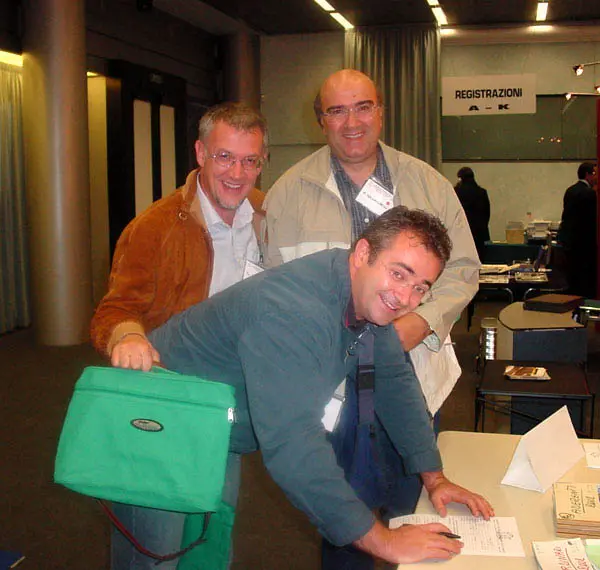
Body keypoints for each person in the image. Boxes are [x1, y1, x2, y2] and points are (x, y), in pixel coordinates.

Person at [127, 206, 493, 569]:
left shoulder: (365, 293)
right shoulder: (293, 312)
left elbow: (394, 381)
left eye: (419, 288)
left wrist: (435, 478)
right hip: (158, 422)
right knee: (156, 557)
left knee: (206, 551)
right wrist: (384, 542)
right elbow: (293, 443)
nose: (404, 298)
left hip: (215, 426)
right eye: (398, 274)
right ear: (362, 253)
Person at [263, 69, 479, 523]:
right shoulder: (287, 195)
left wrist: (420, 322)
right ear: (320, 120)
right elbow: (275, 289)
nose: (352, 122)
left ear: (380, 112)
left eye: (363, 107)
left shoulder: (428, 185)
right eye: (336, 111)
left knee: (415, 513)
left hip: (412, 375)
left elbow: (463, 268)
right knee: (342, 522)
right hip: (331, 388)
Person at [90, 101, 269, 371]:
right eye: (224, 157)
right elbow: (115, 311)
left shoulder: (269, 214)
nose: (236, 173)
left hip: (254, 366)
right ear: (201, 153)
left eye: (249, 161)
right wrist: (129, 337)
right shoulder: (154, 228)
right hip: (187, 372)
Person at [558, 161, 598, 299]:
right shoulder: (589, 193)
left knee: (573, 278)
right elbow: (591, 220)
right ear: (588, 175)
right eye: (595, 173)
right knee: (585, 281)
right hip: (584, 243)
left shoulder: (570, 190)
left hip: (570, 241)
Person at [454, 166, 491, 262]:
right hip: (479, 234)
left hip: (461, 233)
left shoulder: (456, 192)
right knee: (479, 260)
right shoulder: (482, 192)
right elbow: (487, 213)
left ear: (460, 178)